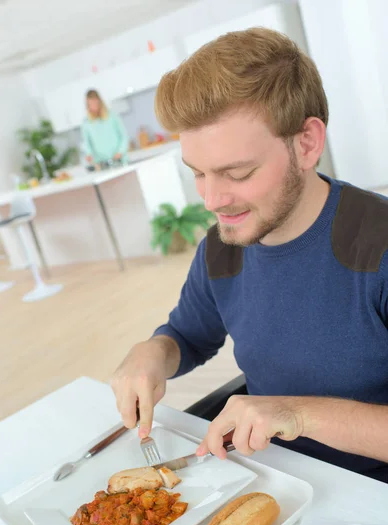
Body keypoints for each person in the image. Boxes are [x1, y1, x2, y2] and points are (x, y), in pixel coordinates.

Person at [110, 27, 388, 483]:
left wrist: (297, 415)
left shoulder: (379, 247)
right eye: (198, 173)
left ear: (307, 143)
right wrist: (154, 352)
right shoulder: (222, 247)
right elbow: (188, 335)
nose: (213, 200)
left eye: (236, 172)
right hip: (272, 484)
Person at [81, 89, 129, 166]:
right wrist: (88, 154)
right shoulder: (86, 123)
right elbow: (86, 143)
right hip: (101, 164)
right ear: (87, 105)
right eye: (90, 104)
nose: (93, 107)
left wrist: (120, 151)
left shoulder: (113, 116)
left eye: (95, 103)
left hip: (119, 161)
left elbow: (124, 136)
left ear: (99, 102)